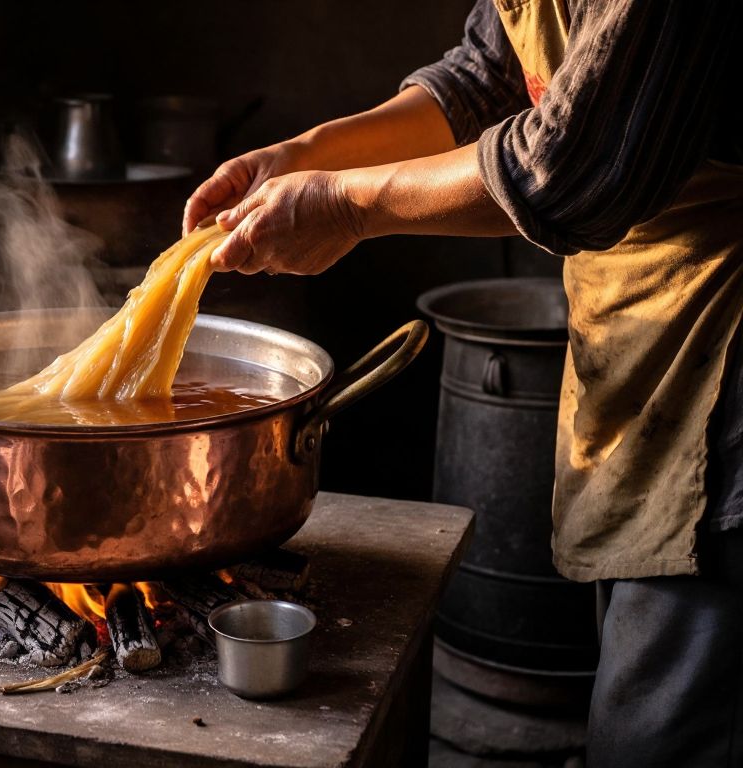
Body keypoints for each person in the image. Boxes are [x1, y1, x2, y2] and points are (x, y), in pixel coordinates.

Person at [182, 0, 742, 764]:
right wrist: (310, 156)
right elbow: (484, 77)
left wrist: (345, 205)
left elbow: (567, 169)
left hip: (724, 375)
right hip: (647, 350)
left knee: (665, 738)